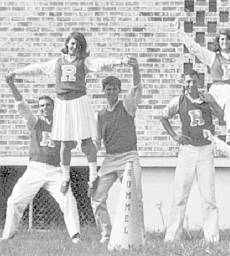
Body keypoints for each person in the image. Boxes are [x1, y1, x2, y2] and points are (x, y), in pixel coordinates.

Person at [6, 32, 132, 196]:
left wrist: (120, 61)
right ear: (67, 44)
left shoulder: (84, 62)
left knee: (86, 141)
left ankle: (93, 176)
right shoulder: (57, 62)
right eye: (72, 43)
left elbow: (101, 64)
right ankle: (65, 177)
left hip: (79, 101)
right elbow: (38, 68)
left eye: (78, 45)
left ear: (81, 48)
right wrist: (17, 71)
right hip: (62, 104)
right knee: (65, 144)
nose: (74, 47)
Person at [2, 76, 80, 243]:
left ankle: (76, 236)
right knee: (14, 201)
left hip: (55, 170)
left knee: (68, 199)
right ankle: (7, 236)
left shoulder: (62, 125)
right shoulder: (35, 122)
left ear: (54, 107)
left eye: (48, 105)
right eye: (42, 106)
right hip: (35, 168)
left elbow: (72, 144)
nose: (44, 108)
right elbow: (22, 106)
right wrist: (11, 84)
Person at [176, 9, 230, 136]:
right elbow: (194, 48)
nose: (224, 42)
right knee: (229, 98)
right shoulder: (212, 57)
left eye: (227, 39)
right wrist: (180, 32)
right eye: (222, 39)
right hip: (219, 91)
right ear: (218, 42)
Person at [161, 70, 224, 242]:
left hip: (205, 149)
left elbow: (222, 118)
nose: (191, 85)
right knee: (180, 193)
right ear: (184, 83)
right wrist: (175, 136)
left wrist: (213, 102)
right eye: (188, 82)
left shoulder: (207, 99)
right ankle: (172, 235)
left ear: (199, 82)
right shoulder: (179, 100)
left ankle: (212, 236)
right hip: (187, 150)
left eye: (194, 81)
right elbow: (163, 116)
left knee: (208, 195)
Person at [90, 57, 143, 243]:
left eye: (114, 88)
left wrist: (135, 68)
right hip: (110, 159)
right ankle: (106, 232)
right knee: (96, 196)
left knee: (135, 198)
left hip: (129, 157)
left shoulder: (127, 106)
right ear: (104, 91)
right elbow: (96, 143)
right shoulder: (99, 115)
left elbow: (136, 87)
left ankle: (138, 235)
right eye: (108, 88)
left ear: (119, 91)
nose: (111, 91)